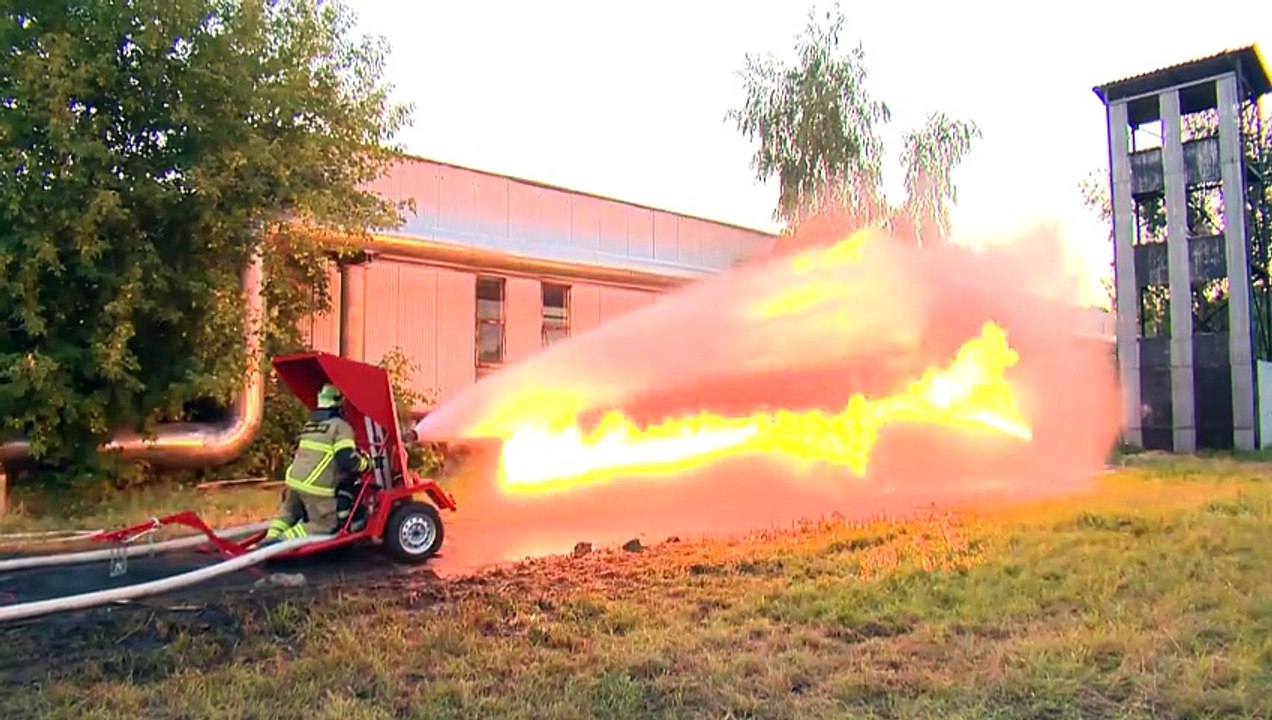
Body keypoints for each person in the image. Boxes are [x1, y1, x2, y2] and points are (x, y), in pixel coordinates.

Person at [260, 383, 372, 545]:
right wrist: (368, 464)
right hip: (315, 487)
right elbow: (347, 459)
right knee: (325, 524)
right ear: (339, 403)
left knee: (288, 513)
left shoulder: (310, 425)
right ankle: (280, 543)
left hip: (294, 481)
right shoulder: (341, 427)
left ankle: (270, 538)